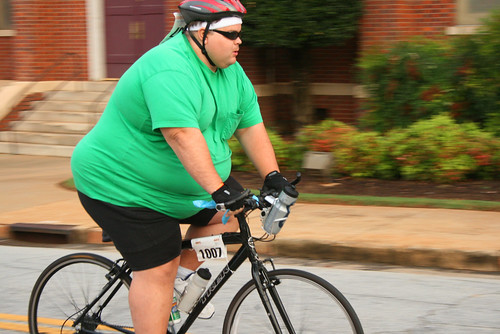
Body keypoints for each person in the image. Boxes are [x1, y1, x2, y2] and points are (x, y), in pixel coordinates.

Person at [71, 0, 292, 333]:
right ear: (199, 32)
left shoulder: (230, 71)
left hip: (182, 187)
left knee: (233, 215)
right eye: (231, 34)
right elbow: (180, 135)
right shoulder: (169, 67)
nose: (239, 42)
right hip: (122, 186)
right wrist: (217, 190)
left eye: (240, 34)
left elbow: (250, 125)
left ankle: (177, 284)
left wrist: (272, 176)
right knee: (158, 266)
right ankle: (164, 285)